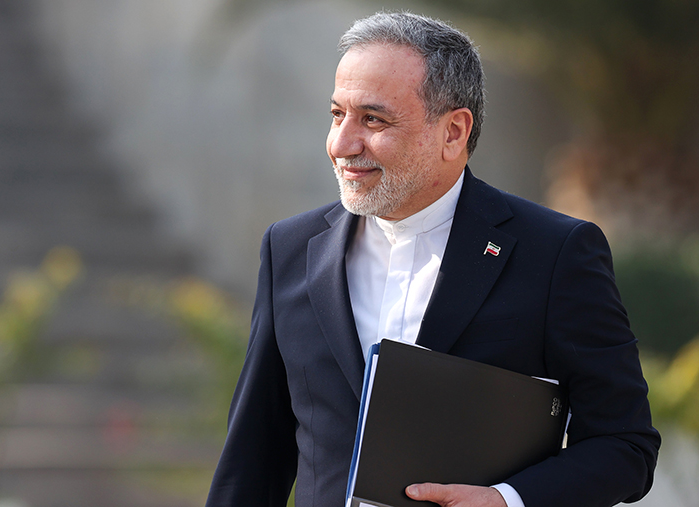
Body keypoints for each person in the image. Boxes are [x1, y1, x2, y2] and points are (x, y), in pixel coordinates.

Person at [205, 11, 660, 507]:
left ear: (453, 132)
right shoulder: (290, 248)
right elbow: (252, 459)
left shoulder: (556, 254)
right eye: (337, 115)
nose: (341, 144)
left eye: (373, 119)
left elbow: (625, 446)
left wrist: (505, 500)